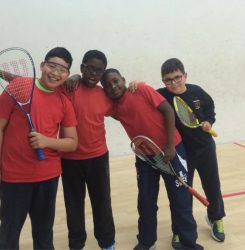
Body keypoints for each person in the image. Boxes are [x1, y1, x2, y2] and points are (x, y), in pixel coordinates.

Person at [100, 68, 203, 250]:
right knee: (146, 202)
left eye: (116, 81)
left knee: (180, 200)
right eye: (108, 86)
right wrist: (76, 77)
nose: (113, 87)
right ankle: (147, 241)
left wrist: (170, 145)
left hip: (172, 151)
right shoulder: (112, 106)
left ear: (123, 79)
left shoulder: (142, 90)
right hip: (145, 158)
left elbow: (168, 111)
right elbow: (93, 96)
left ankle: (187, 242)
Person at [0, 47, 78, 249]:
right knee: (8, 235)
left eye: (62, 69)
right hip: (14, 176)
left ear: (67, 75)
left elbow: (72, 142)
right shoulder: (18, 87)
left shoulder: (64, 102)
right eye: (52, 66)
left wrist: (47, 142)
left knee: (44, 235)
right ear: (42, 66)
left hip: (48, 177)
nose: (55, 73)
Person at [157, 58, 225, 242]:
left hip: (205, 148)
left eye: (177, 77)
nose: (173, 83)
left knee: (212, 185)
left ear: (185, 76)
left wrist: (209, 121)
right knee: (182, 192)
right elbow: (142, 96)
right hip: (182, 153)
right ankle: (179, 228)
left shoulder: (197, 91)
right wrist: (136, 84)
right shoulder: (161, 95)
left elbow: (210, 107)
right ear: (163, 81)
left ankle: (216, 217)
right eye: (168, 80)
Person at [60, 50, 115, 250]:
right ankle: (76, 245)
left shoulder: (104, 95)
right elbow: (36, 87)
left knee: (102, 203)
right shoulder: (68, 88)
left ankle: (108, 243)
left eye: (99, 71)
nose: (94, 74)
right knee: (73, 205)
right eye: (90, 69)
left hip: (98, 157)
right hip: (69, 158)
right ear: (82, 68)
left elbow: (126, 108)